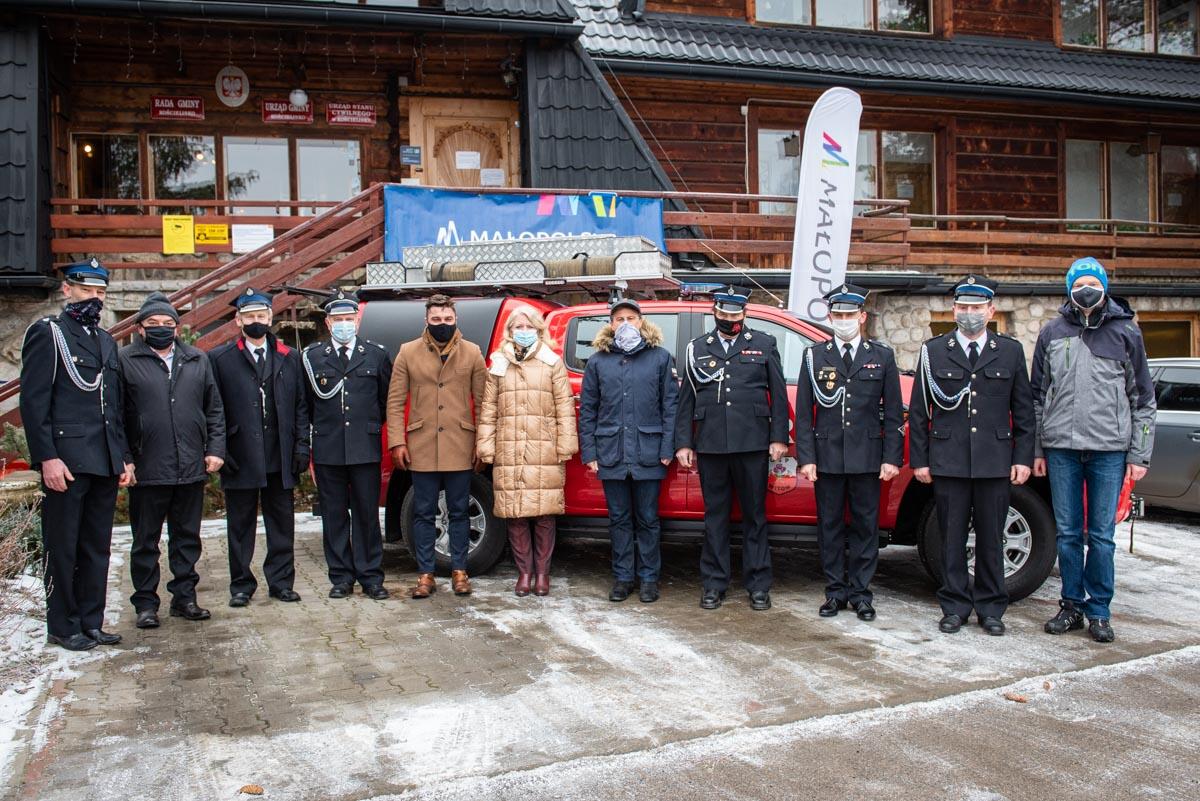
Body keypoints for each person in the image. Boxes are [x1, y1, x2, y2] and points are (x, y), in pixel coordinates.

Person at [1032, 257, 1155, 644]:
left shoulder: (1126, 333)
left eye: (1093, 282)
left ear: (1104, 287)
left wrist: (1139, 455)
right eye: (1079, 282)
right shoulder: (1052, 332)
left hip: (1108, 451)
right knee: (1067, 534)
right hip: (1062, 449)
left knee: (1101, 536)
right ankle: (1070, 605)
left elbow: (1143, 400)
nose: (1086, 289)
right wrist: (1037, 448)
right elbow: (1036, 396)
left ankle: (1099, 611)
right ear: (1068, 288)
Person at [909, 275, 1035, 636]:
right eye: (963, 307)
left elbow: (1024, 411)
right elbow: (919, 412)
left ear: (991, 310)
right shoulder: (934, 351)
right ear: (953, 310)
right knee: (950, 538)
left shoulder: (1009, 351)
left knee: (991, 537)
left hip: (994, 461)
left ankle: (992, 607)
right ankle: (954, 605)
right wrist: (920, 460)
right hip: (948, 461)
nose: (969, 313)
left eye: (976, 308)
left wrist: (1022, 458)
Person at [20, 259, 134, 650]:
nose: (95, 299)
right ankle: (63, 625)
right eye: (87, 290)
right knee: (63, 545)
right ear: (66, 290)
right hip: (66, 462)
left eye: (101, 292)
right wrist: (47, 458)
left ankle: (91, 621)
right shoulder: (48, 333)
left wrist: (122, 458)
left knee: (96, 546)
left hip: (102, 459)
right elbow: (34, 403)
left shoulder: (104, 340)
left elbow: (113, 406)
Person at [674, 286, 789, 611]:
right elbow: (687, 399)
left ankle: (758, 585)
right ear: (715, 313)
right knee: (715, 517)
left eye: (735, 314)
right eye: (723, 314)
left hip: (753, 443)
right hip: (710, 444)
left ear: (745, 313)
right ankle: (714, 584)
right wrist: (684, 441)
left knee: (755, 516)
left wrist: (779, 437)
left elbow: (778, 395)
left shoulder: (764, 344)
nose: (729, 320)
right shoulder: (697, 348)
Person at [796, 284, 903, 621]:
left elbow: (893, 412)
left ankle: (861, 593)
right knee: (829, 527)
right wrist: (807, 457)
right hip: (826, 457)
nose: (843, 320)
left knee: (865, 527)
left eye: (848, 315)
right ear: (830, 317)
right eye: (837, 315)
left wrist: (891, 457)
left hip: (867, 457)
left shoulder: (881, 356)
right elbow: (803, 411)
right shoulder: (815, 355)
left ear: (862, 317)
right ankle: (835, 592)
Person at [120, 292, 226, 628]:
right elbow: (117, 416)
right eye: (153, 324)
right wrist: (125, 459)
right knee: (145, 541)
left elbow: (214, 409)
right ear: (140, 328)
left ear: (178, 329)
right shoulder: (125, 361)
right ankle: (146, 604)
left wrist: (215, 449)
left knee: (186, 538)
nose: (161, 328)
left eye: (168, 324)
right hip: (147, 468)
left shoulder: (197, 360)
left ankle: (185, 598)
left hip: (190, 466)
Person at [209, 288, 310, 607]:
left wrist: (301, 447)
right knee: (240, 525)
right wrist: (221, 450)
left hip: (279, 453)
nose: (256, 321)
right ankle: (241, 584)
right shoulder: (221, 359)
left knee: (282, 523)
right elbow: (214, 409)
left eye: (262, 316)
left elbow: (301, 405)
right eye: (250, 316)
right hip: (240, 454)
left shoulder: (288, 356)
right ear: (238, 320)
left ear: (270, 317)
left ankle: (281, 581)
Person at [386, 293, 487, 599]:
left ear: (455, 319)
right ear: (426, 321)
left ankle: (459, 571)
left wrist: (482, 443)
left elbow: (483, 403)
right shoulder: (408, 352)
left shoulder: (472, 352)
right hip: (422, 446)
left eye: (447, 319)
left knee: (459, 512)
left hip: (460, 444)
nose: (442, 324)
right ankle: (425, 574)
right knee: (423, 513)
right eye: (436, 320)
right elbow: (394, 402)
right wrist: (397, 441)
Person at [579, 296, 678, 604]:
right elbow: (588, 411)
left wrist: (667, 447)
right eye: (619, 319)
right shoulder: (597, 361)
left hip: (649, 452)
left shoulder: (660, 358)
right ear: (611, 324)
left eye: (630, 318)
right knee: (620, 519)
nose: (625, 324)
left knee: (648, 518)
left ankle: (649, 578)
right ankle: (623, 577)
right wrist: (589, 452)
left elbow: (670, 406)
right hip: (612, 452)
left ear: (641, 321)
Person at [476, 305, 577, 597]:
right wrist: (486, 445)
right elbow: (489, 408)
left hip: (543, 447)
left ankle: (543, 574)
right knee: (515, 515)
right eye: (517, 327)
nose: (523, 332)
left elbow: (565, 408)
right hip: (508, 448)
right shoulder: (498, 363)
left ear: (538, 330)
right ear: (509, 332)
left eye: (528, 327)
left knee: (544, 515)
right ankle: (524, 574)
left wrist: (565, 445)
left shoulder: (551, 362)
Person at [303, 290, 393, 601]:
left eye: (348, 319)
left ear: (357, 321)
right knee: (335, 516)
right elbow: (307, 406)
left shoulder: (377, 355)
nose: (344, 324)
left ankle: (371, 577)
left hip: (364, 449)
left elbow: (384, 403)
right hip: (329, 449)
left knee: (368, 515)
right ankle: (340, 577)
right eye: (337, 320)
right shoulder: (313, 357)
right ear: (328, 323)